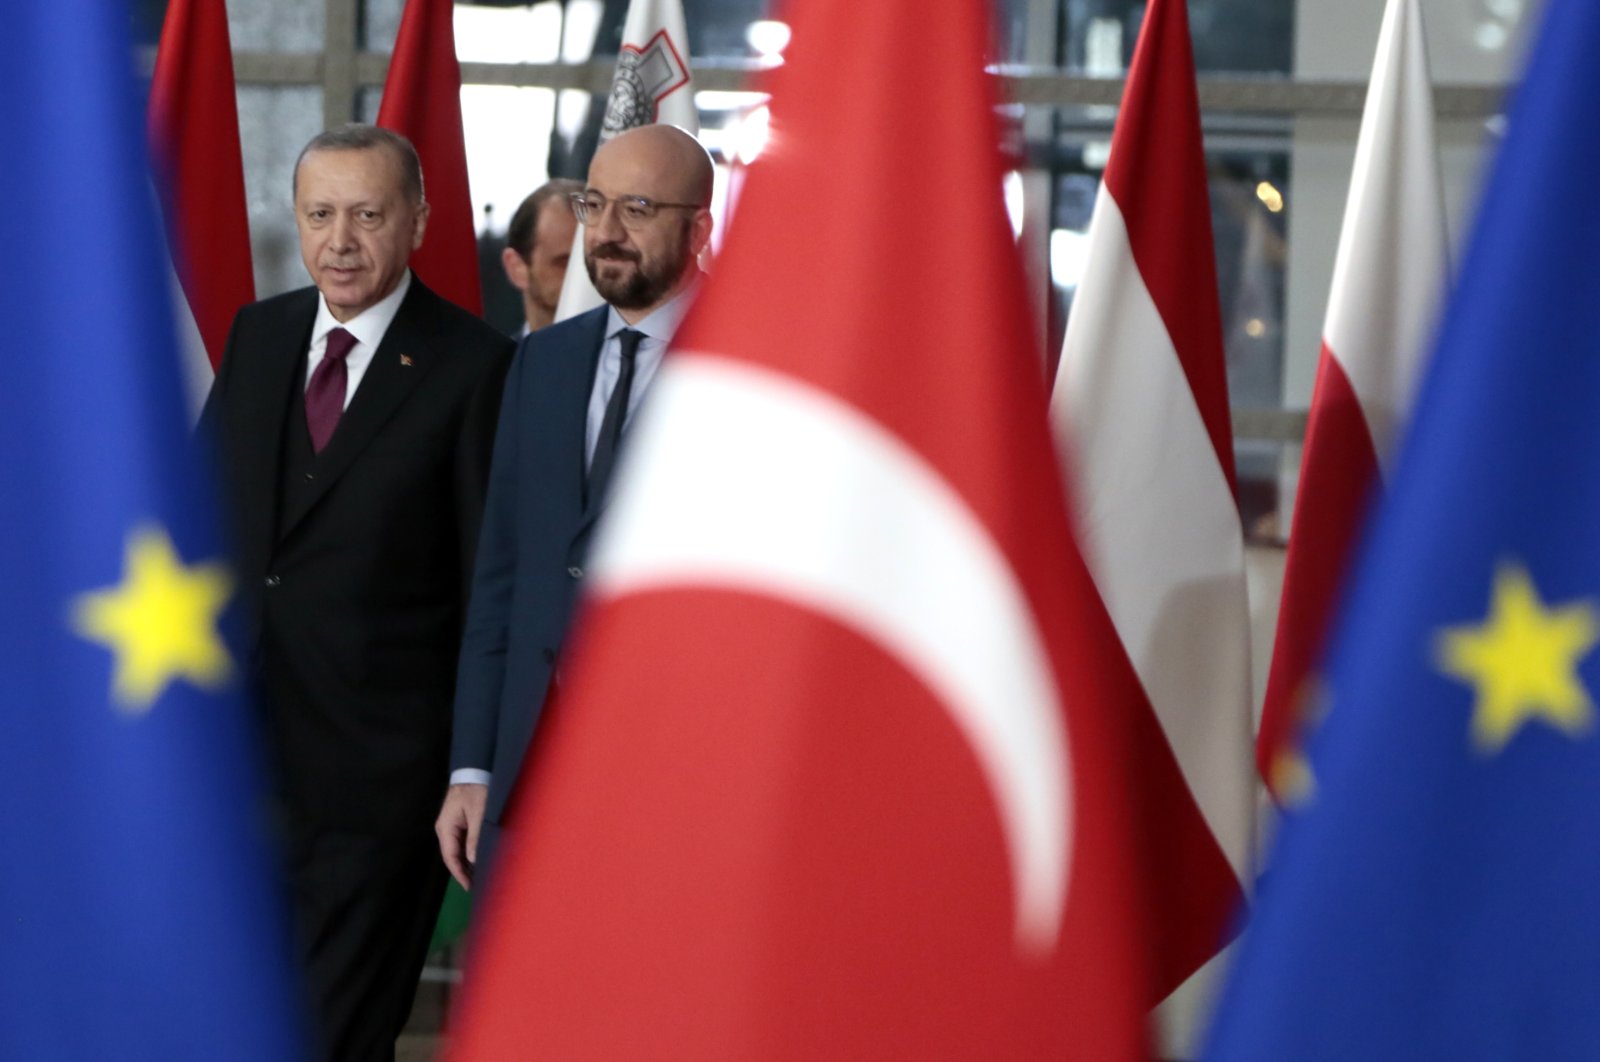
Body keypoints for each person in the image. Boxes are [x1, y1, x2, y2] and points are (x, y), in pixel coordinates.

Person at [199, 124, 512, 1062]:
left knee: (329, 1036)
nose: (341, 240)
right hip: (235, 771)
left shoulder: (476, 367)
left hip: (378, 789)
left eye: (368, 215)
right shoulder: (258, 336)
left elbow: (482, 585)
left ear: (417, 221)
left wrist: (467, 767)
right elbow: (204, 524)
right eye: (320, 215)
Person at [437, 124, 714, 892]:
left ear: (699, 229)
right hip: (525, 783)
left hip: (677, 787)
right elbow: (502, 576)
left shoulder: (752, 374)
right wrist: (472, 764)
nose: (608, 233)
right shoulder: (543, 359)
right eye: (596, 205)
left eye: (639, 208)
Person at [500, 177, 582, 337]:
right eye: (565, 262)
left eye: (595, 261)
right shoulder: (497, 361)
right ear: (517, 268)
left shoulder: (634, 358)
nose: (588, 277)